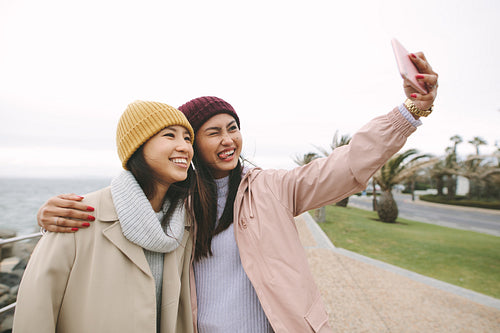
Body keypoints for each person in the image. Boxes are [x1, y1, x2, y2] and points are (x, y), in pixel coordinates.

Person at [36, 52, 438, 332]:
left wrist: (409, 113)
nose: (228, 140)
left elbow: (347, 163)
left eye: (233, 128)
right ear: (193, 144)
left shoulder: (272, 187)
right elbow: (125, 214)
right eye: (213, 132)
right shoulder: (178, 201)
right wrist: (49, 215)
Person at [13, 101, 196, 333]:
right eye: (169, 135)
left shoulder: (184, 221)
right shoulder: (80, 214)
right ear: (137, 146)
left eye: (187, 139)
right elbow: (36, 308)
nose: (185, 147)